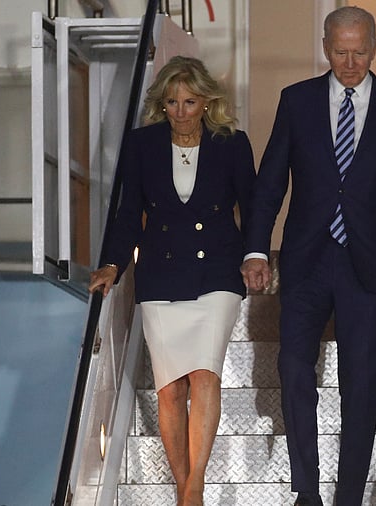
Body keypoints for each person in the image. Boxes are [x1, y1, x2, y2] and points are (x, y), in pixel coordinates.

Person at [240, 6, 376, 505]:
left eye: (359, 52)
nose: (350, 62)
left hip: (368, 262)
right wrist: (254, 248)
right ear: (325, 46)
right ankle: (307, 491)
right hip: (307, 258)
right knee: (291, 367)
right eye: (339, 52)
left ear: (373, 48)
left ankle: (349, 494)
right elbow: (270, 182)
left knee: (363, 381)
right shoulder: (297, 101)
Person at [88, 55, 256, 506]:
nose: (180, 110)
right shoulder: (142, 145)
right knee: (169, 385)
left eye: (189, 101)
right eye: (172, 102)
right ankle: (184, 487)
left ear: (206, 102)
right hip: (161, 273)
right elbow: (127, 215)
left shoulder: (232, 143)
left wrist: (255, 254)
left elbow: (254, 206)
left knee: (205, 375)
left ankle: (195, 485)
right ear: (162, 104)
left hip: (217, 271)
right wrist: (113, 265)